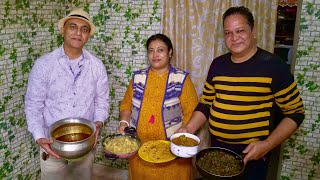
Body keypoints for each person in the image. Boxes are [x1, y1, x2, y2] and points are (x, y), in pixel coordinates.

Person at [176, 6, 305, 180]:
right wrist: (188, 129)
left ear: (253, 31)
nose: (234, 38)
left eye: (240, 31)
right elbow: (206, 103)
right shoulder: (218, 64)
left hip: (252, 153)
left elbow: (295, 113)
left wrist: (266, 145)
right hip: (217, 148)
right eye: (228, 33)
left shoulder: (274, 66)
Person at [24, 8, 109, 180]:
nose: (78, 33)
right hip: (52, 143)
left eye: (84, 29)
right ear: (63, 30)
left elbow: (102, 101)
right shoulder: (44, 65)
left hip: (85, 143)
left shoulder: (96, 66)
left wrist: (98, 123)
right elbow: (33, 104)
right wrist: (39, 137)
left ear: (88, 36)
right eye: (73, 27)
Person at [117, 33, 198, 180]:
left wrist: (182, 137)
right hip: (140, 149)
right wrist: (123, 122)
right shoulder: (137, 77)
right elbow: (126, 104)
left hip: (172, 151)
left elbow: (192, 112)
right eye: (151, 50)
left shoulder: (181, 79)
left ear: (170, 52)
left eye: (160, 50)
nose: (155, 55)